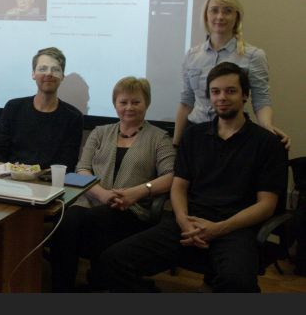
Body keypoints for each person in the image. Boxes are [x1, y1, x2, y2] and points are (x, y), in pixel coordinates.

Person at [99, 62, 287, 292]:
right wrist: (183, 220)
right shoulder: (194, 136)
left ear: (245, 95)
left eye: (231, 91)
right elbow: (179, 186)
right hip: (188, 222)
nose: (222, 97)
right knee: (113, 261)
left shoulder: (266, 143)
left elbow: (267, 205)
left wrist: (219, 228)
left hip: (235, 229)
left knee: (238, 283)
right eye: (215, 91)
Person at [48, 76, 176, 292]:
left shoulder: (159, 137)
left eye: (136, 102)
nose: (129, 107)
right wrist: (102, 194)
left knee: (82, 222)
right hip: (92, 201)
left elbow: (171, 176)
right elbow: (82, 169)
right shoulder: (99, 132)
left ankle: (91, 283)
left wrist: (137, 193)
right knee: (67, 219)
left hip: (132, 209)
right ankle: (63, 289)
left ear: (147, 103)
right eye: (123, 102)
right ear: (115, 104)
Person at [173, 0, 290, 149]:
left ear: (237, 17)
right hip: (196, 134)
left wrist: (268, 128)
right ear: (206, 16)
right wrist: (176, 144)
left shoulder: (254, 56)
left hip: (233, 135)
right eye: (214, 10)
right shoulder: (192, 56)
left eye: (227, 11)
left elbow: (261, 100)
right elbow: (186, 102)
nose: (220, 16)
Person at [0, 47, 83, 170]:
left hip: (49, 180)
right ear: (33, 74)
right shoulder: (13, 108)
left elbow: (67, 163)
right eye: (43, 69)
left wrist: (36, 175)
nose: (49, 74)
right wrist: (1, 171)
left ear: (62, 76)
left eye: (55, 69)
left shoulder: (73, 117)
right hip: (10, 176)